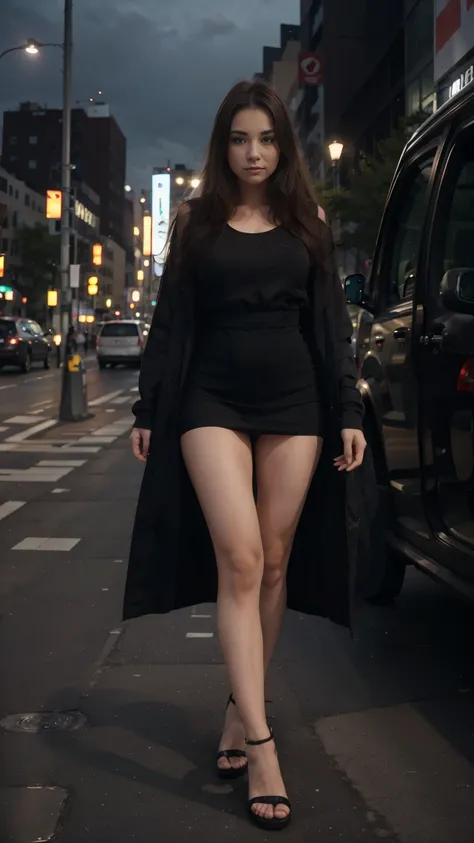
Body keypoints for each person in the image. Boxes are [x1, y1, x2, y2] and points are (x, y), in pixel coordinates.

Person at [125, 80, 370, 831]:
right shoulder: (197, 224)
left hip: (295, 403)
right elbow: (169, 323)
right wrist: (147, 405)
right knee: (238, 559)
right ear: (222, 146)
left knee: (273, 560)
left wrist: (349, 408)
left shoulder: (310, 224)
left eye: (265, 138)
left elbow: (330, 325)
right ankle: (263, 746)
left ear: (282, 145)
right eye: (240, 138)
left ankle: (241, 706)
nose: (253, 152)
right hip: (211, 401)